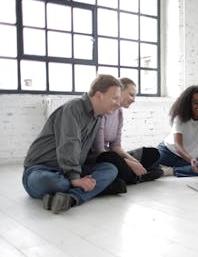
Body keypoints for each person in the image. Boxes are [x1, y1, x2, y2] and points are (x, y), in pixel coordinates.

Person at [22, 74, 123, 214]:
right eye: (115, 98)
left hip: (70, 169)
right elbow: (69, 144)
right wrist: (75, 178)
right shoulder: (73, 108)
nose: (119, 103)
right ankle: (88, 189)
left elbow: (87, 152)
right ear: (99, 95)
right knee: (57, 183)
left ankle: (70, 198)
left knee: (110, 169)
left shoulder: (98, 117)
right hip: (42, 170)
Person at [92, 77, 163, 189]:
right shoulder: (104, 111)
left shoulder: (119, 112)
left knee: (153, 153)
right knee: (113, 159)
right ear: (119, 91)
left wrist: (134, 162)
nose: (134, 99)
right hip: (101, 157)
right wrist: (128, 163)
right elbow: (100, 151)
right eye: (131, 95)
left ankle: (136, 175)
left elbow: (116, 147)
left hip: (113, 153)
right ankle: (137, 176)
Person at [156, 85, 198, 177]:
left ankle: (170, 171)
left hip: (188, 159)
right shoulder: (180, 118)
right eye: (196, 103)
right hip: (168, 153)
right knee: (148, 163)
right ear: (188, 103)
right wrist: (190, 159)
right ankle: (180, 169)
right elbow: (178, 144)